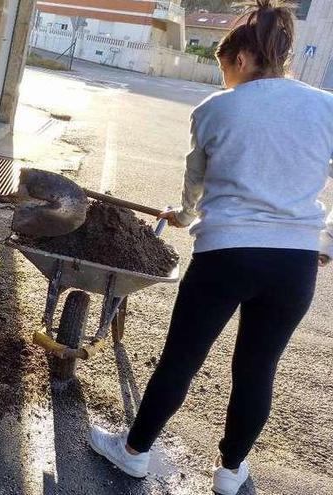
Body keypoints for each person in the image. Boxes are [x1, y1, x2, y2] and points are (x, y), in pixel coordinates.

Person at [87, 2, 333, 495]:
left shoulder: (215, 109)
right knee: (258, 368)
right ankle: (230, 472)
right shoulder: (326, 105)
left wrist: (181, 215)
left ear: (241, 59)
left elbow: (194, 184)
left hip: (227, 253)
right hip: (295, 262)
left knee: (181, 358)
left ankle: (134, 453)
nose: (224, 80)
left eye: (224, 70)